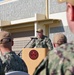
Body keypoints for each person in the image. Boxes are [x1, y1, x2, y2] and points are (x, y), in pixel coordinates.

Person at [33, 0, 74, 75]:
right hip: (36, 59)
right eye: (37, 33)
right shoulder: (35, 40)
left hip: (43, 56)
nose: (38, 34)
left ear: (71, 10)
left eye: (39, 32)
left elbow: (50, 48)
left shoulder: (55, 57)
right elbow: (30, 48)